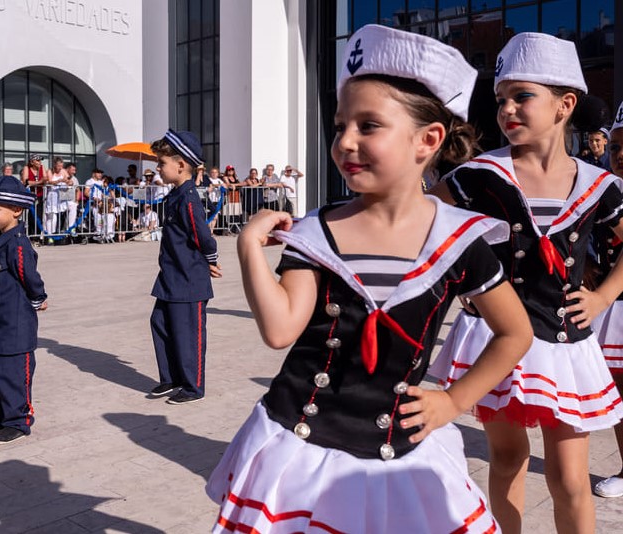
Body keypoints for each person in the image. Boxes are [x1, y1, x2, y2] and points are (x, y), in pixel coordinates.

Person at [206, 25, 533, 533]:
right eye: (340, 126)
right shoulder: (317, 228)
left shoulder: (459, 239)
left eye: (368, 125)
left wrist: (454, 400)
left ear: (428, 140)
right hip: (299, 448)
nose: (346, 142)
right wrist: (249, 247)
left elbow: (516, 332)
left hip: (399, 457)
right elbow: (279, 330)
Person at [428, 33, 623, 533]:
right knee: (508, 457)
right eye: (500, 100)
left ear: (565, 105)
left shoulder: (598, 186)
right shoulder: (476, 178)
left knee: (569, 478)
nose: (507, 109)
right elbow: (422, 226)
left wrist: (602, 295)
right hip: (498, 341)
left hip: (565, 342)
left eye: (522, 96)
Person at [148, 129, 222, 405]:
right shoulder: (175, 195)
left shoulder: (189, 198)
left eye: (161, 163)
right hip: (170, 275)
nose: (158, 168)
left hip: (188, 279)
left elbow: (202, 236)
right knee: (161, 324)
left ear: (180, 166)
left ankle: (193, 386)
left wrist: (210, 260)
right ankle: (171, 378)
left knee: (188, 333)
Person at [0, 175, 48, 445]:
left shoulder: (17, 243)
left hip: (16, 324)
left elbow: (29, 275)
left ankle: (18, 420)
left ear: (16, 210)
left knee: (14, 372)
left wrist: (39, 298)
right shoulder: (0, 239)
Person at [591, 103, 623, 498]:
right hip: (615, 307)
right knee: (618, 390)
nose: (619, 155)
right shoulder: (603, 191)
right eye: (614, 147)